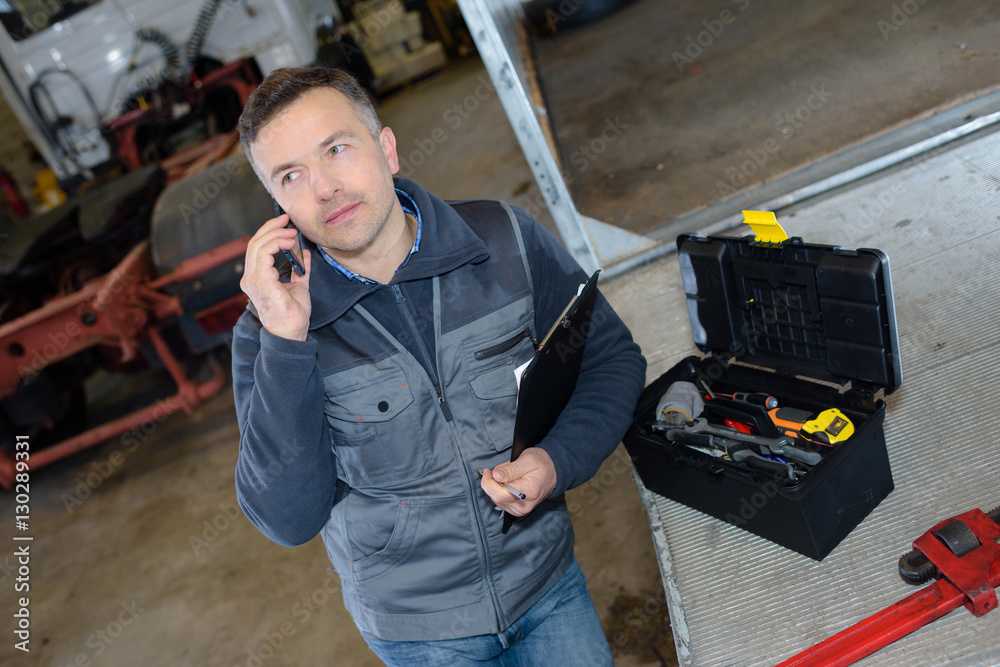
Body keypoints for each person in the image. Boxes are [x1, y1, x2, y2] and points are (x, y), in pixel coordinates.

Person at [231, 66, 646, 666]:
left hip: (549, 588)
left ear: (387, 148)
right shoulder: (268, 330)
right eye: (291, 176)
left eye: (337, 149)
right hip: (419, 636)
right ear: (279, 205)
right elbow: (287, 518)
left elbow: (611, 359)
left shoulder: (504, 240)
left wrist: (555, 463)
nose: (322, 188)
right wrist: (287, 340)